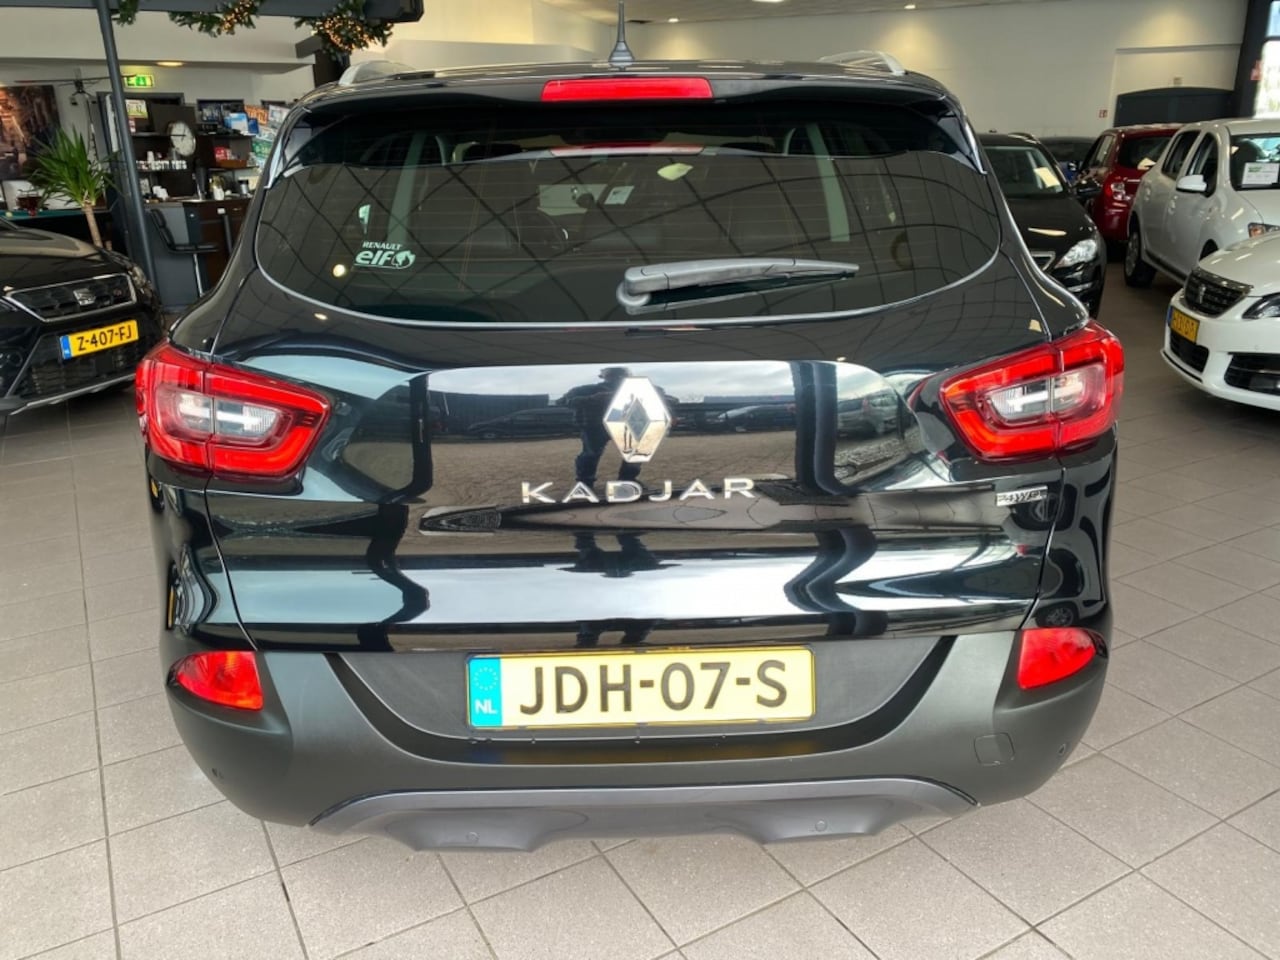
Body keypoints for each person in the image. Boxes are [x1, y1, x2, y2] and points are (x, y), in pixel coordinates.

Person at [559, 366, 643, 486]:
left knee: (635, 452)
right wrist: (592, 399)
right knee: (591, 454)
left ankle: (626, 479)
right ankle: (587, 481)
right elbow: (562, 402)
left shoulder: (635, 390)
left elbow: (563, 402)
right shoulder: (587, 390)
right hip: (596, 426)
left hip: (621, 425)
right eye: (616, 376)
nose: (618, 379)